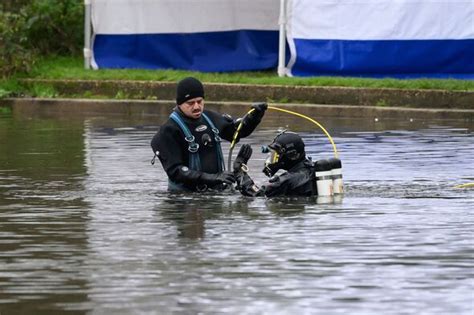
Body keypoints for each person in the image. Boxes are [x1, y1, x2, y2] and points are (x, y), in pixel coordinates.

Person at [151, 76, 267, 192]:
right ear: (179, 103)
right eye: (190, 103)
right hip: (185, 198)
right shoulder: (168, 131)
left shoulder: (210, 118)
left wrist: (254, 117)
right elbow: (176, 171)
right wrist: (212, 178)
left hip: (215, 191)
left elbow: (236, 134)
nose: (196, 107)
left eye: (199, 101)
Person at [233, 131, 318, 197]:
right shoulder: (311, 168)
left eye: (276, 155)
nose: (272, 159)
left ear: (292, 155)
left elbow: (256, 194)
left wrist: (239, 170)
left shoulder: (286, 180)